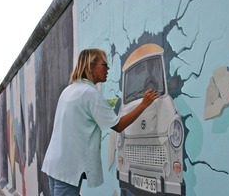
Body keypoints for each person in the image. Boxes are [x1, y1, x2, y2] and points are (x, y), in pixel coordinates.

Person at [41, 49, 159, 196]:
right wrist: (143, 104)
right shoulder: (90, 94)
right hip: (68, 170)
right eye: (104, 64)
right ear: (90, 67)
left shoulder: (69, 90)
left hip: (56, 164)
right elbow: (118, 125)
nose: (108, 69)